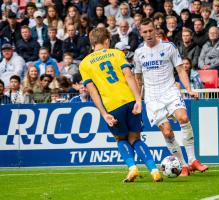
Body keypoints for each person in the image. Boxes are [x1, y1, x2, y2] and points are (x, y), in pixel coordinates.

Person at [79, 27, 162, 182]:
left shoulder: (84, 64)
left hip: (112, 105)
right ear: (106, 41)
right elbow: (129, 76)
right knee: (135, 138)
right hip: (129, 100)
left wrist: (104, 114)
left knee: (121, 139)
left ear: (92, 43)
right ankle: (154, 170)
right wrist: (138, 99)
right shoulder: (117, 54)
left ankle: (132, 168)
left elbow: (92, 91)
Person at [134, 18, 208, 177]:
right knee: (167, 132)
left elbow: (181, 70)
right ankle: (183, 166)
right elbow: (138, 80)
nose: (148, 34)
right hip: (152, 98)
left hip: (170, 91)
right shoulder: (139, 53)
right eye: (144, 32)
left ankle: (193, 160)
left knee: (183, 117)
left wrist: (189, 89)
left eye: (150, 30)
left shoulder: (169, 47)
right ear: (141, 33)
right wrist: (137, 101)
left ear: (155, 29)